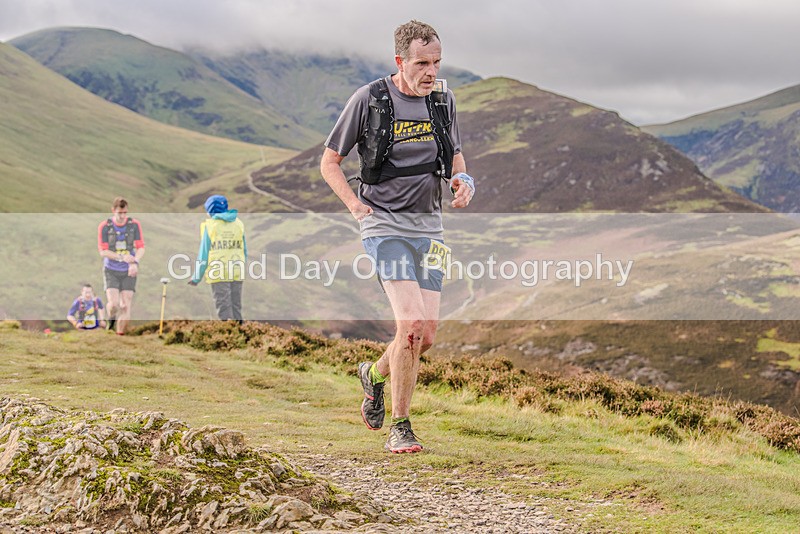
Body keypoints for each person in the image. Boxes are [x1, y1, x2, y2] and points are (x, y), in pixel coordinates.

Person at [320, 20, 475, 453]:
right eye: (422, 63)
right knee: (408, 325)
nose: (431, 71)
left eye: (437, 62)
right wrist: (354, 205)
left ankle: (372, 374)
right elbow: (330, 161)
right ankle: (401, 425)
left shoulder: (444, 100)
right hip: (383, 223)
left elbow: (454, 153)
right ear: (399, 62)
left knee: (425, 337)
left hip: (431, 228)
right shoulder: (369, 99)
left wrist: (464, 182)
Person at [189, 195, 247, 323]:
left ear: (210, 211)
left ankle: (228, 337)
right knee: (236, 306)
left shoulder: (210, 227)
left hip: (218, 272)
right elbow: (244, 250)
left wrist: (196, 277)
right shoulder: (238, 224)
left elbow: (203, 254)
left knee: (224, 308)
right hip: (237, 271)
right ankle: (243, 336)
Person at [97, 197, 145, 335]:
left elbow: (141, 247)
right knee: (114, 305)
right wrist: (122, 257)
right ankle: (111, 319)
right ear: (113, 211)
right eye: (120, 213)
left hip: (129, 270)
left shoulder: (134, 225)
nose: (123, 216)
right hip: (111, 269)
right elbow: (103, 251)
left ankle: (119, 336)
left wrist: (135, 262)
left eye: (125, 213)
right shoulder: (105, 226)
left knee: (125, 305)